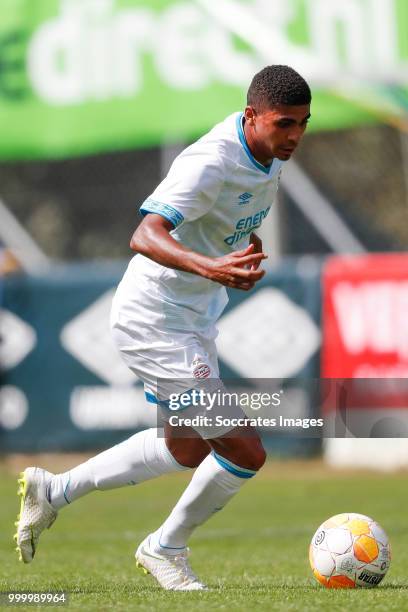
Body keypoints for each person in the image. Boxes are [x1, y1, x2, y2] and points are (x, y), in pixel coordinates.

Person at [15, 65, 311, 591]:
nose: (294, 136)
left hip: (195, 316)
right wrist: (212, 268)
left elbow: (231, 224)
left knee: (188, 447)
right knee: (244, 448)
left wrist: (240, 257)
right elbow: (145, 233)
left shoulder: (267, 155)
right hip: (154, 317)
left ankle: (54, 490)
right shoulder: (208, 161)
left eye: (302, 124)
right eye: (284, 123)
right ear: (251, 117)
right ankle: (165, 547)